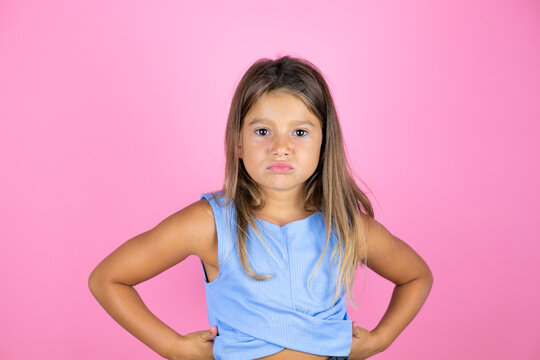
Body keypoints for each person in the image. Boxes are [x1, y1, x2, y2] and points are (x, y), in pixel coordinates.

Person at [88, 55, 433, 360]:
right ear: (238, 142)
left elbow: (416, 276)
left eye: (299, 132)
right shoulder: (210, 223)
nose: (280, 147)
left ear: (324, 144)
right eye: (263, 131)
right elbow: (108, 278)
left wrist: (381, 339)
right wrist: (173, 347)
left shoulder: (346, 227)